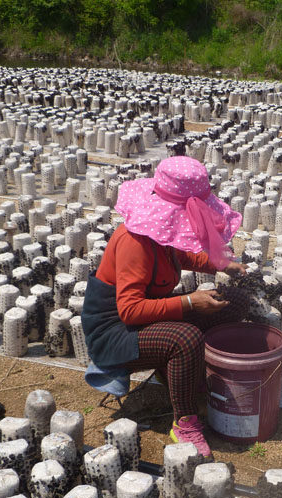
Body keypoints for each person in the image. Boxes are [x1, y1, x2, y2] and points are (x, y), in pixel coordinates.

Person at [81, 156, 250, 457]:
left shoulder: (158, 231)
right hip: (115, 332)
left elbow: (179, 255)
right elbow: (130, 311)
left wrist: (223, 264)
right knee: (185, 339)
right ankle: (184, 423)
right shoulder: (135, 241)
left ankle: (176, 372)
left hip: (146, 314)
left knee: (233, 302)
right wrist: (190, 301)